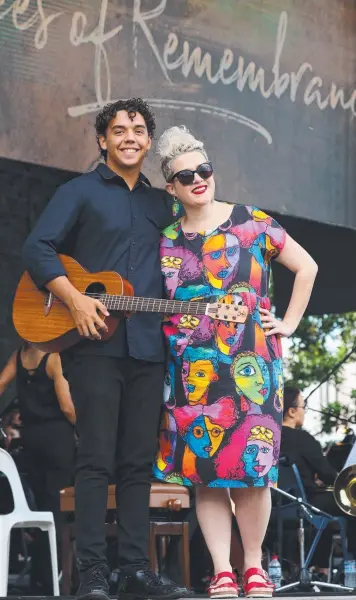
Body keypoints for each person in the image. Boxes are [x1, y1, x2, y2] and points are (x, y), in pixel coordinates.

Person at [22, 99, 183, 600]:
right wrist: (73, 300)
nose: (129, 137)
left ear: (148, 141)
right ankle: (93, 571)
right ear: (102, 140)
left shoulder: (164, 205)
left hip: (148, 348)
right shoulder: (79, 191)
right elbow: (36, 249)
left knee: (137, 461)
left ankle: (134, 570)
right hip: (92, 345)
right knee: (95, 459)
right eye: (119, 130)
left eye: (138, 130)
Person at [153, 126, 318, 598]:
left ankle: (253, 567)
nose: (199, 179)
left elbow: (306, 267)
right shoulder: (165, 241)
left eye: (204, 169)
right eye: (186, 176)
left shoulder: (253, 222)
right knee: (205, 473)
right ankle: (222, 570)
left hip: (253, 365)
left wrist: (287, 322)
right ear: (172, 187)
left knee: (253, 470)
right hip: (191, 374)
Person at [0, 343, 76, 593]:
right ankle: (63, 580)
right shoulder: (54, 356)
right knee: (61, 510)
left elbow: (1, 384)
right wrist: (86, 428)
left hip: (32, 439)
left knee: (42, 510)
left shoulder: (19, 355)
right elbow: (67, 406)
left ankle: (43, 577)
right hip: (58, 439)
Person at [280, 386, 356, 574]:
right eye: (303, 406)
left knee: (325, 515)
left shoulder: (269, 438)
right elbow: (328, 474)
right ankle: (351, 563)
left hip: (275, 502)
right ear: (291, 411)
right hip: (303, 503)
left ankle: (321, 568)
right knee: (353, 505)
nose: (304, 412)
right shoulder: (304, 439)